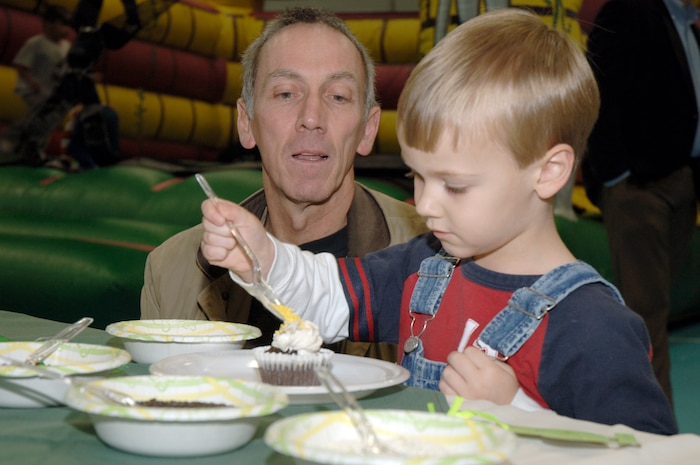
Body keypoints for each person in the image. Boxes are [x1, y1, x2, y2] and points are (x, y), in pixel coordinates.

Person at [200, 8, 677, 435]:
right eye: (417, 177)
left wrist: (514, 410)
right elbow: (327, 294)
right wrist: (264, 254)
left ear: (548, 172)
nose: (425, 204)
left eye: (455, 185)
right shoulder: (425, 266)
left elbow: (643, 452)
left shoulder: (594, 328)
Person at [140, 7, 428, 362]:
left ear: (368, 129)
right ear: (246, 123)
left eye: (337, 96)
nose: (311, 118)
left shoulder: (438, 262)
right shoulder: (173, 270)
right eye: (286, 94)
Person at [582, 0, 700, 404]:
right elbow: (598, 91)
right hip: (640, 187)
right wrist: (616, 177)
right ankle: (652, 426)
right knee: (644, 314)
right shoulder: (630, 10)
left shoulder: (684, 21)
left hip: (680, 180)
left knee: (655, 310)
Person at [0, 5, 71, 155]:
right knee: (37, 117)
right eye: (62, 24)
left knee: (47, 120)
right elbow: (20, 64)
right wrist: (31, 82)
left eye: (68, 25)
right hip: (33, 91)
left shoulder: (66, 46)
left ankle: (35, 149)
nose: (66, 29)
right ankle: (10, 141)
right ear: (48, 24)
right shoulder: (36, 43)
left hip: (51, 92)